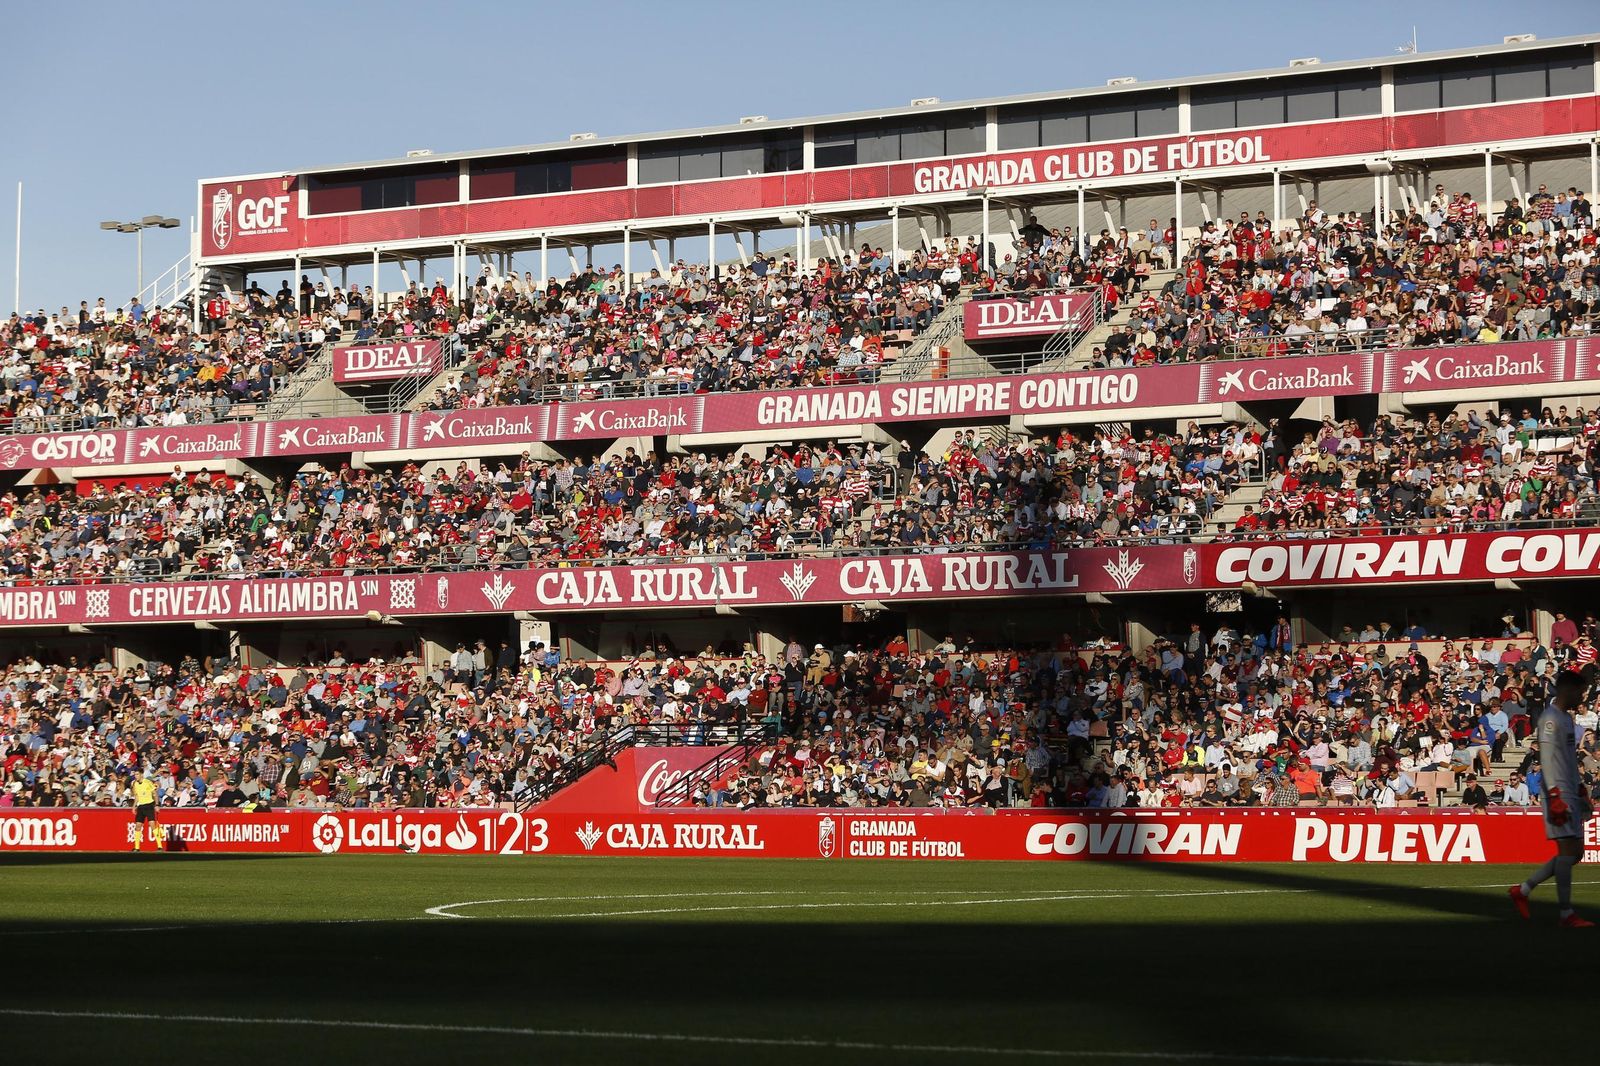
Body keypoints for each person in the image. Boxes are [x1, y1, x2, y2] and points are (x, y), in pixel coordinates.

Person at [1509, 670, 1594, 926]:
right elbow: (1545, 758)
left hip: (1570, 789)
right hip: (1557, 791)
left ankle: (1522, 890)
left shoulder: (1566, 719)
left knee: (1575, 852)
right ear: (1567, 690)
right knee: (1569, 851)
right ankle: (1566, 913)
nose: (1582, 696)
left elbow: (1569, 758)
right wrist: (1555, 794)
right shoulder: (1549, 718)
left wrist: (1580, 789)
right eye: (1580, 692)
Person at [130, 772, 161, 853]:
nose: (136, 776)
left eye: (137, 774)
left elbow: (154, 793)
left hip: (149, 805)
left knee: (152, 825)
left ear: (141, 775)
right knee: (138, 826)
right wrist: (134, 806)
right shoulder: (135, 784)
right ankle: (137, 847)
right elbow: (137, 796)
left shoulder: (147, 782)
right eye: (135, 775)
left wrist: (157, 804)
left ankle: (159, 846)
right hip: (141, 806)